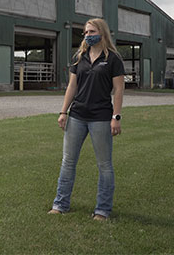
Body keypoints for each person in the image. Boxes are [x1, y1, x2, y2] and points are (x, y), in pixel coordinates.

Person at [48, 18, 125, 221]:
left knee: (105, 165)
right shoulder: (80, 57)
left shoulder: (113, 59)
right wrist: (63, 111)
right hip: (77, 116)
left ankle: (102, 210)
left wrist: (115, 117)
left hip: (100, 117)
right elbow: (72, 87)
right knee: (68, 162)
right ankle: (60, 204)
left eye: (91, 32)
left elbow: (118, 90)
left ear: (102, 32)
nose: (88, 35)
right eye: (86, 33)